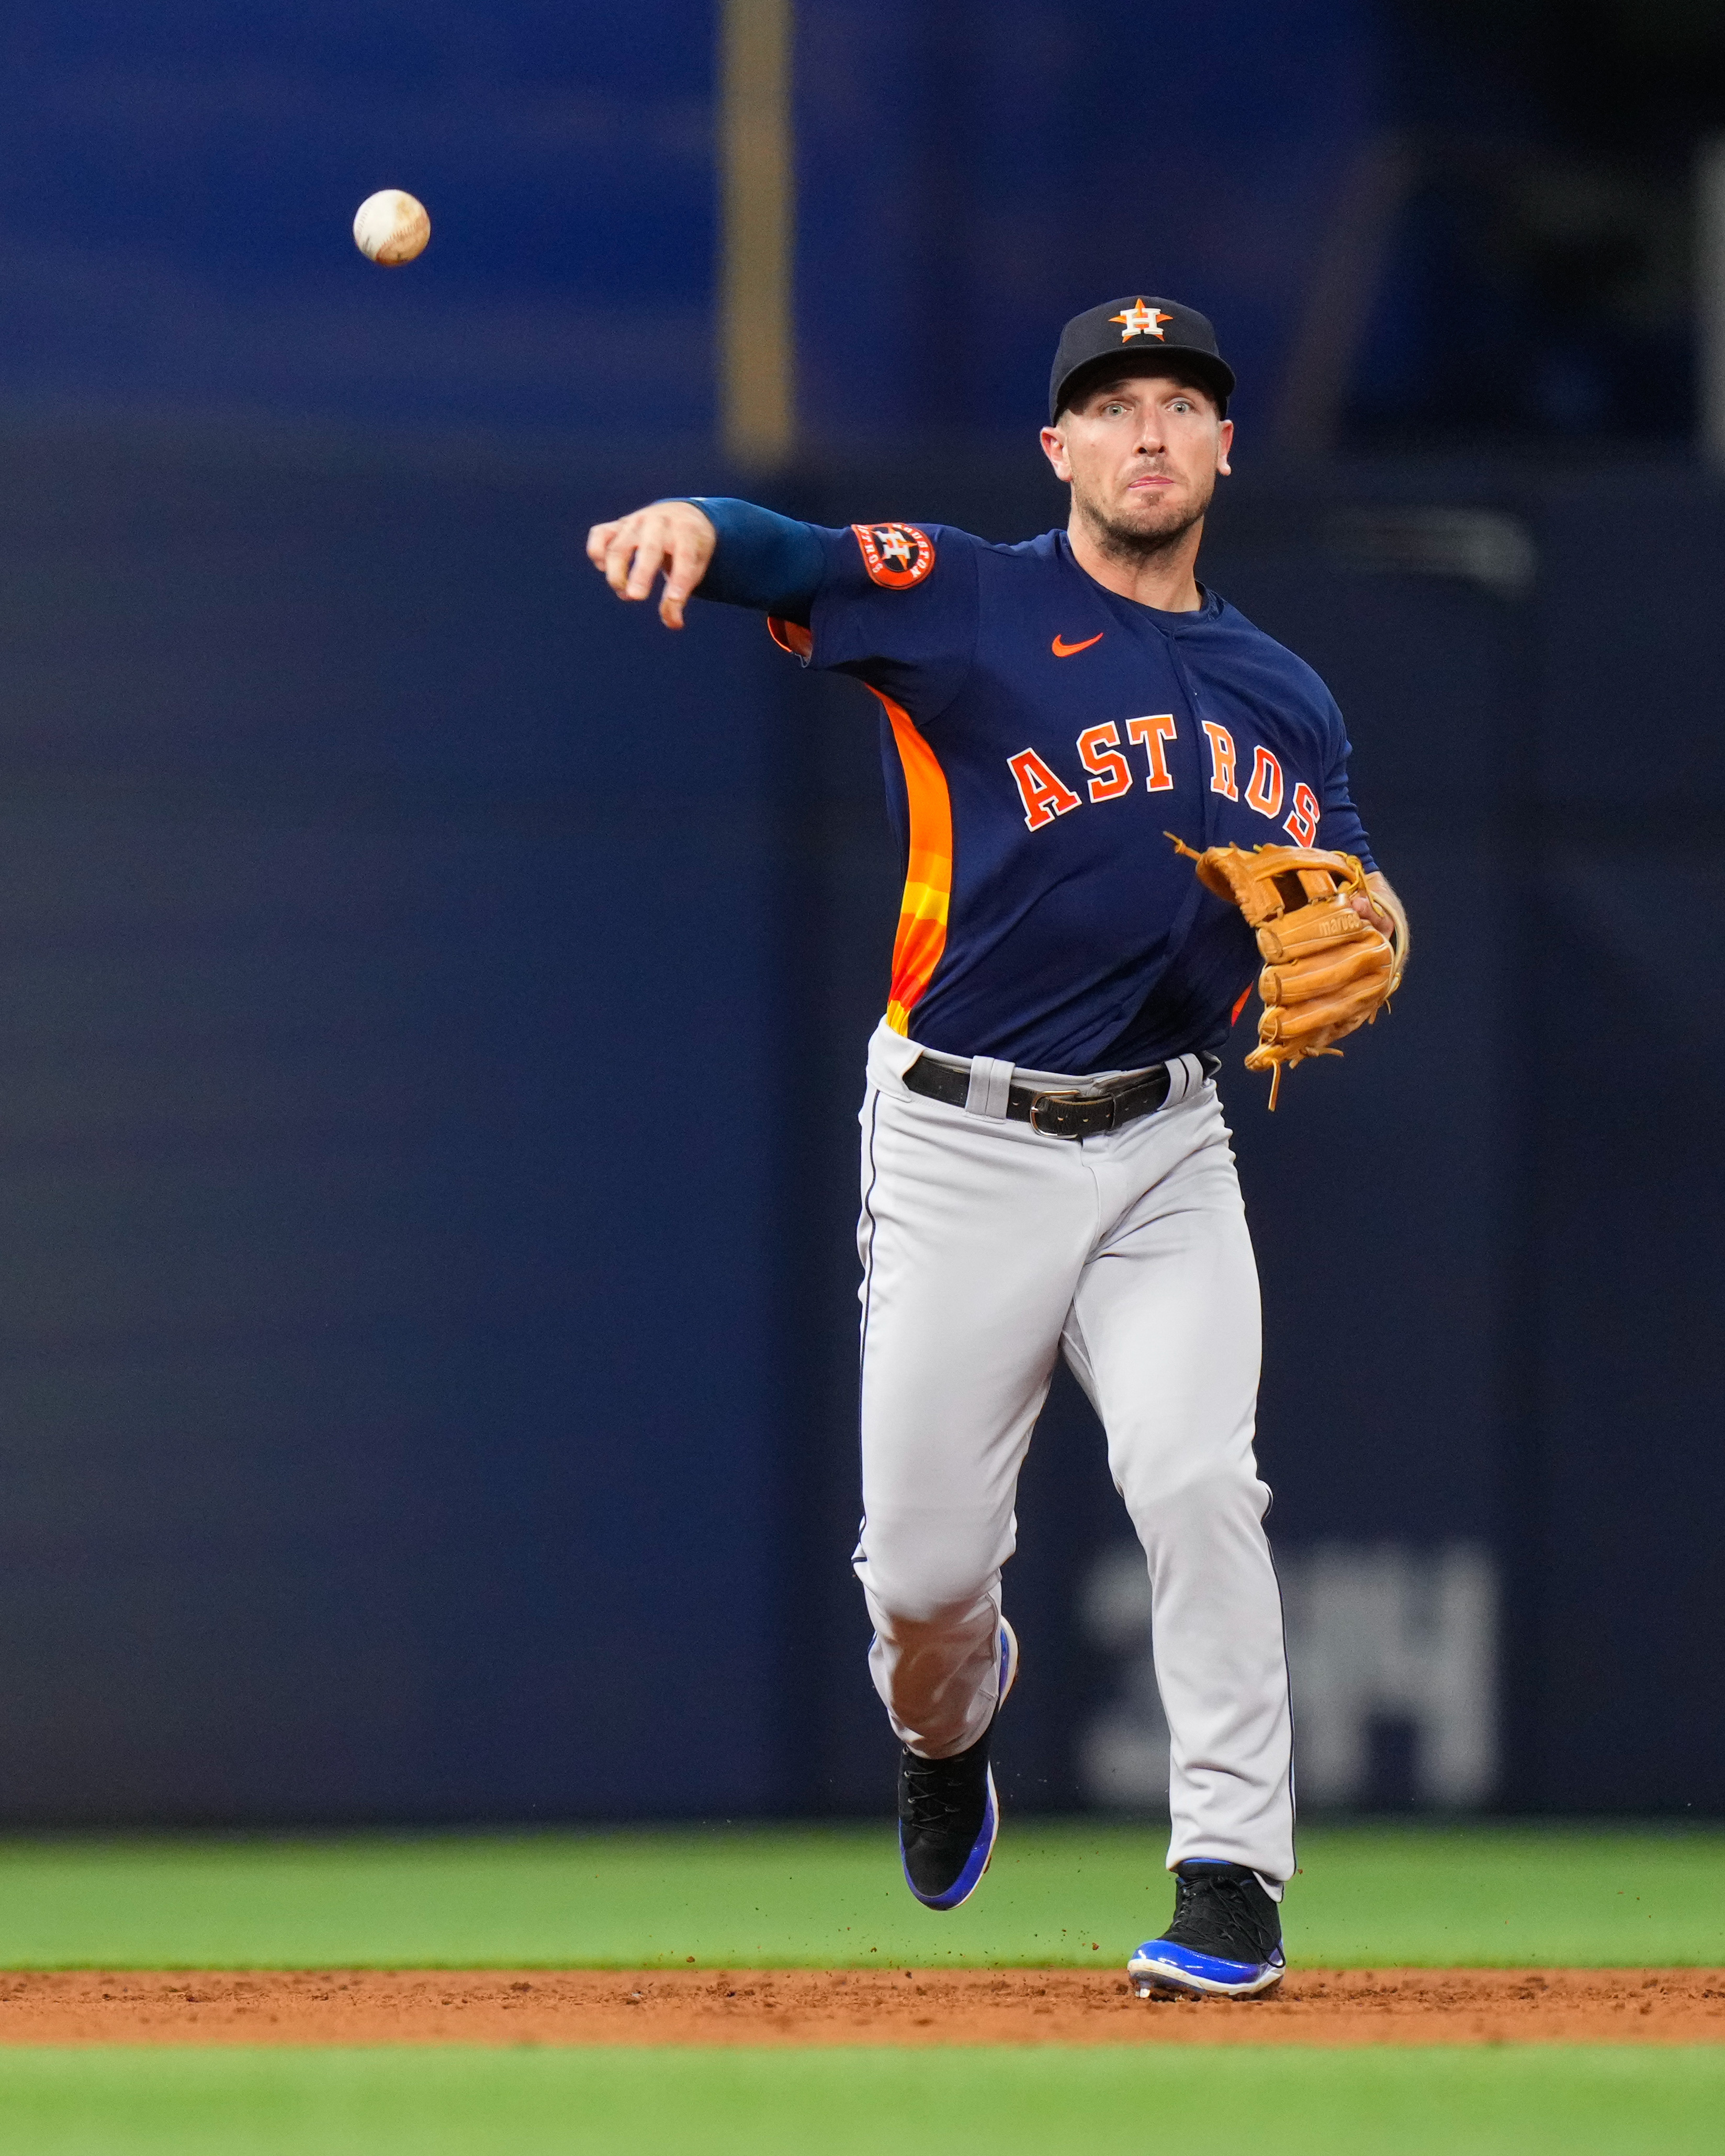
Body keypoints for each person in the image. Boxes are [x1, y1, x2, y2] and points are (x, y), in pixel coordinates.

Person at [586, 295, 1408, 2000]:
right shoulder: (971, 597)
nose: (1150, 432)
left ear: (1225, 446)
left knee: (1197, 1478)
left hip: (1171, 1143)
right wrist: (693, 529)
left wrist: (1378, 915)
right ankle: (946, 1732)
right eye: (1113, 406)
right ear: (1062, 449)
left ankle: (1231, 1880)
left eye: (1181, 403)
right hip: (963, 1141)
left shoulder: (1284, 696)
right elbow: (790, 552)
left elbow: (1348, 886)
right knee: (926, 1582)